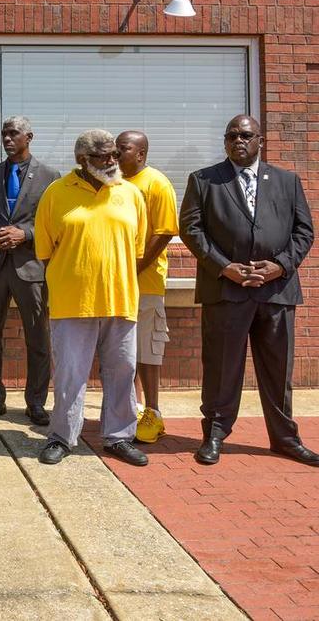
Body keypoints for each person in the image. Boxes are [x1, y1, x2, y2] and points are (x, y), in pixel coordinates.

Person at [180, 114, 318, 466]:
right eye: (231, 136)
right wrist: (224, 266)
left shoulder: (287, 181)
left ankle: (285, 438)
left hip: (277, 292)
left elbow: (304, 231)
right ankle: (214, 434)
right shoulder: (204, 180)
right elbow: (191, 230)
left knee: (277, 369)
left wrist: (281, 265)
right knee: (222, 367)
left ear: (261, 140)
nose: (238, 141)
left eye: (245, 135)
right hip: (226, 290)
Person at [34, 129, 149, 467]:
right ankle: (63, 437)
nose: (113, 161)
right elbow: (44, 250)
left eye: (115, 154)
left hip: (121, 299)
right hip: (72, 302)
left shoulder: (130, 194)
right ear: (82, 160)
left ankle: (118, 437)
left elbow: (138, 248)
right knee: (71, 374)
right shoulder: (56, 193)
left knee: (122, 371)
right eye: (103, 157)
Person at [0, 117, 59, 426]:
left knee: (37, 337)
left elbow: (53, 223)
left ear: (29, 137)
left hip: (31, 267)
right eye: (4, 134)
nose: (7, 138)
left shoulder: (50, 176)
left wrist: (26, 234)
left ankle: (36, 402)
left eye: (13, 133)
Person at [116, 131, 178, 444]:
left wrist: (135, 267)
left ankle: (153, 413)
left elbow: (165, 232)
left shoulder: (157, 183)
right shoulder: (116, 184)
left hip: (147, 282)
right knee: (126, 351)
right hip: (118, 284)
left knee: (148, 351)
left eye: (123, 149)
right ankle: (134, 410)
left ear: (140, 153)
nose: (116, 154)